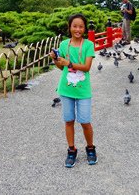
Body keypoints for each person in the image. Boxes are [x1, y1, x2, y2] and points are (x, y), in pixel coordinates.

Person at [50, 13, 97, 168]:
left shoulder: (89, 45)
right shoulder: (64, 45)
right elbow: (60, 67)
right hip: (66, 89)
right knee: (69, 120)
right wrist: (56, 60)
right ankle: (71, 150)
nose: (77, 29)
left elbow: (87, 67)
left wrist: (69, 63)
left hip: (83, 90)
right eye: (74, 26)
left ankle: (90, 148)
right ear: (69, 27)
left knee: (85, 121)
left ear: (84, 28)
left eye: (81, 26)